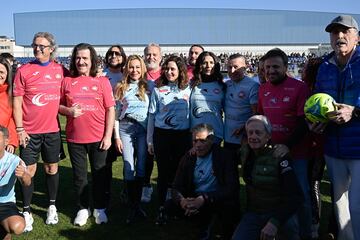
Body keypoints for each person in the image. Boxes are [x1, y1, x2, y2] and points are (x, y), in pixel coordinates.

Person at [13, 32, 68, 231]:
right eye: (35, 45)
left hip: (52, 131)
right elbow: (17, 102)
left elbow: (79, 80)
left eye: (42, 46)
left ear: (51, 48)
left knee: (51, 169)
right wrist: (20, 129)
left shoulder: (60, 70)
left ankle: (51, 206)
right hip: (29, 132)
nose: (38, 49)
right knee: (28, 172)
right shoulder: (24, 70)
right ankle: (26, 211)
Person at [312, 15, 360, 240]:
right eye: (334, 32)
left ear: (357, 37)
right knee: (341, 208)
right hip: (333, 148)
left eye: (345, 31)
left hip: (359, 148)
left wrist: (355, 111)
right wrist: (316, 119)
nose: (339, 36)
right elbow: (319, 100)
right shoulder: (324, 67)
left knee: (357, 209)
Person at [257, 48, 312, 239]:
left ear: (286, 67)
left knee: (301, 196)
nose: (270, 71)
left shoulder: (299, 87)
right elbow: (261, 119)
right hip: (272, 153)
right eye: (267, 67)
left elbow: (304, 122)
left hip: (296, 153)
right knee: (278, 196)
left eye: (275, 67)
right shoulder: (262, 89)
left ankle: (307, 234)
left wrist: (287, 145)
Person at [59, 43, 115, 226]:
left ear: (92, 61)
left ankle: (99, 208)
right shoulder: (66, 81)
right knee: (79, 176)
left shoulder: (102, 81)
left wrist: (108, 136)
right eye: (78, 58)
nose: (81, 61)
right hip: (75, 138)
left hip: (99, 139)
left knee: (100, 175)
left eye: (85, 58)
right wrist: (69, 111)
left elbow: (110, 110)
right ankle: (83, 208)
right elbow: (58, 106)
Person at [232, 115, 303, 240]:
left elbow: (296, 196)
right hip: (254, 212)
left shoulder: (279, 156)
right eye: (250, 132)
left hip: (279, 214)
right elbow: (223, 157)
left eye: (258, 132)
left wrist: (275, 222)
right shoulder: (244, 152)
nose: (253, 136)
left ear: (268, 136)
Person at [171, 123, 240, 240]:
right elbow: (176, 186)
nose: (198, 145)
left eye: (202, 141)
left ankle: (208, 222)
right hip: (194, 198)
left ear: (212, 140)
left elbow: (232, 188)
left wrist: (204, 199)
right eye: (195, 141)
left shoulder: (224, 156)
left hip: (215, 198)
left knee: (228, 206)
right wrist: (183, 201)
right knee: (170, 205)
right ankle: (198, 218)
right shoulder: (188, 158)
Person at [147, 55, 191, 225]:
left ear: (180, 71)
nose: (169, 72)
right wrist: (150, 140)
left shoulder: (188, 89)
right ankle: (161, 208)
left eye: (173, 69)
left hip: (182, 136)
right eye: (167, 69)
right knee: (164, 173)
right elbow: (152, 116)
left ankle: (179, 205)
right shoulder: (158, 90)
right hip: (162, 135)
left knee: (180, 172)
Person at [113, 55, 149, 224]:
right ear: (127, 69)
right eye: (131, 67)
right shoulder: (121, 87)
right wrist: (117, 137)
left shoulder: (149, 86)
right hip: (125, 129)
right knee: (129, 166)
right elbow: (115, 114)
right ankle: (132, 204)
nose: (134, 70)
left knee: (141, 166)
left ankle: (136, 205)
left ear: (142, 69)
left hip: (142, 130)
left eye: (138, 67)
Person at [102, 45, 127, 208]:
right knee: (106, 162)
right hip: (106, 124)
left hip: (125, 124)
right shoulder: (101, 75)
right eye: (110, 53)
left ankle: (128, 191)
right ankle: (106, 193)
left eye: (117, 53)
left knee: (129, 159)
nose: (113, 55)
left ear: (123, 56)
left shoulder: (127, 74)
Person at [0, 126, 31, 240]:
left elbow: (27, 183)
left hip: (5, 203)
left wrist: (23, 175)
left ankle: (4, 228)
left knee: (17, 226)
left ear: (6, 141)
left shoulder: (14, 160)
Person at [224, 54, 259, 154]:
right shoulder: (226, 85)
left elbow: (255, 113)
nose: (232, 71)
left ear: (245, 67)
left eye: (236, 67)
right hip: (227, 137)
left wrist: (244, 128)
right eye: (229, 67)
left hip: (244, 139)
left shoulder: (253, 86)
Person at [141, 43, 163, 203]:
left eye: (154, 54)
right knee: (145, 158)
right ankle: (145, 186)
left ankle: (167, 188)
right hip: (142, 124)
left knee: (164, 159)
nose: (151, 57)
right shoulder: (139, 74)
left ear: (160, 57)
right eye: (148, 54)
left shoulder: (168, 73)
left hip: (163, 123)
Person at [190, 51, 225, 144]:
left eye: (211, 62)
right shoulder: (191, 85)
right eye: (204, 63)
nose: (208, 66)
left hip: (215, 134)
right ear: (199, 65)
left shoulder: (222, 86)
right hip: (195, 135)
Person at [0, 57, 18, 154]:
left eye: (1, 72)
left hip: (2, 145)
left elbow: (11, 121)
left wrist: (12, 141)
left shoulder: (9, 96)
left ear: (7, 75)